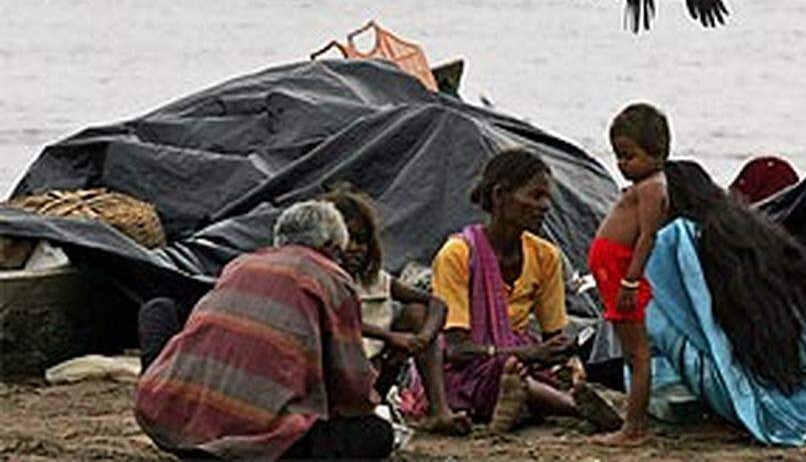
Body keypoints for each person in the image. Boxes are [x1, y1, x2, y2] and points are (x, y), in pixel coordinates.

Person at [134, 200, 393, 460]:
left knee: (160, 309)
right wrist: (373, 400)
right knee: (376, 434)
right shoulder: (333, 278)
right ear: (330, 247)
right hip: (251, 442)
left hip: (170, 422)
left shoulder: (240, 265)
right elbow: (351, 387)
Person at [643, 160, 806, 447]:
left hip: (771, 399)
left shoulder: (676, 240)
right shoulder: (753, 228)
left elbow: (679, 322)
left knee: (649, 311)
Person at [430, 147, 622, 433]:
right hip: (468, 370)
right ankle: (570, 406)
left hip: (521, 361)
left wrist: (566, 360)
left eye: (547, 198)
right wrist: (528, 354)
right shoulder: (458, 254)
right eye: (535, 196)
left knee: (519, 372)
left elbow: (553, 336)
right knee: (504, 369)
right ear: (499, 196)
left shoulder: (545, 256)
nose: (545, 206)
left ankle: (525, 397)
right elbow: (457, 350)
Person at [322, 185, 470, 435]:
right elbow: (340, 321)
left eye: (362, 240)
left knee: (417, 314)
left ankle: (440, 410)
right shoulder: (320, 279)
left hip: (375, 372)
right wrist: (390, 337)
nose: (356, 248)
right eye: (349, 240)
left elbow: (436, 303)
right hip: (336, 377)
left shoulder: (375, 281)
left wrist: (421, 339)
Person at [587, 102, 671, 446]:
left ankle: (633, 428)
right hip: (614, 269)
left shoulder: (653, 187)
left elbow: (647, 236)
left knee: (637, 355)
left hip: (623, 271)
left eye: (629, 156)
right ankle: (632, 424)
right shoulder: (644, 184)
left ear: (658, 152)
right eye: (618, 157)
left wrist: (630, 280)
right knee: (632, 353)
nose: (622, 165)